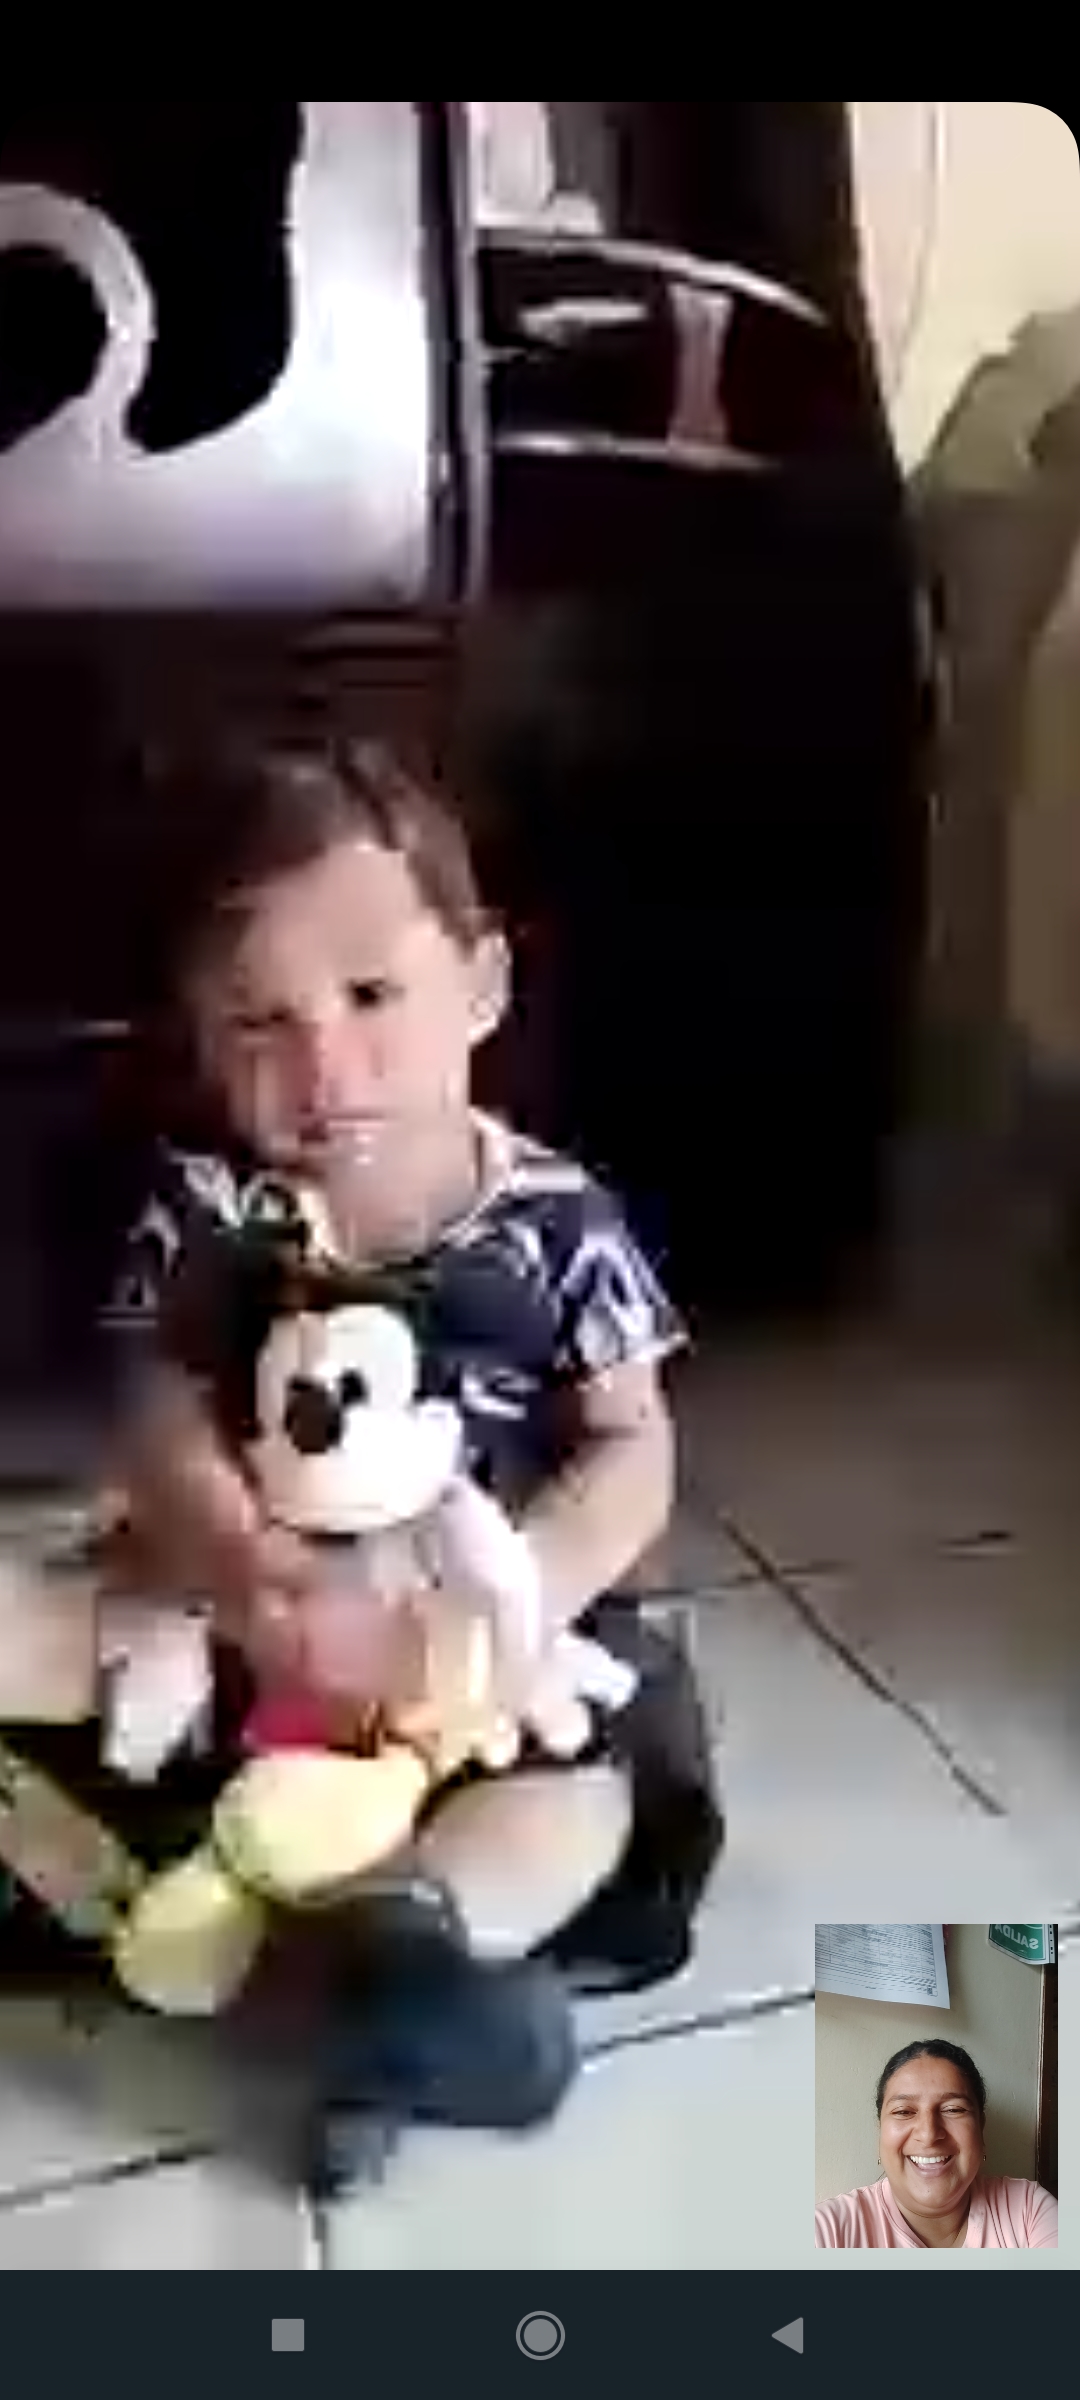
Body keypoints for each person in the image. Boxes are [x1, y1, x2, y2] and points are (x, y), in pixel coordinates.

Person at [82, 731, 721, 2182]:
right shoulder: (212, 1213)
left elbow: (633, 1443)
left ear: (480, 988)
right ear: (201, 1039)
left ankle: (415, 1956)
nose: (326, 1066)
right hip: (281, 1621)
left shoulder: (558, 1222)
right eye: (260, 1023)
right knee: (121, 1682)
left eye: (372, 995)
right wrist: (249, 1568)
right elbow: (157, 1406)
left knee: (581, 1790)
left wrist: (522, 1601)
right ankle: (280, 1920)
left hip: (492, 1646)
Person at [815, 2039, 1058, 2249]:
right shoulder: (827, 2232)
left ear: (980, 2127)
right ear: (880, 2129)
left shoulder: (1029, 2210)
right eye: (903, 2112)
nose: (929, 2134)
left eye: (953, 2109)